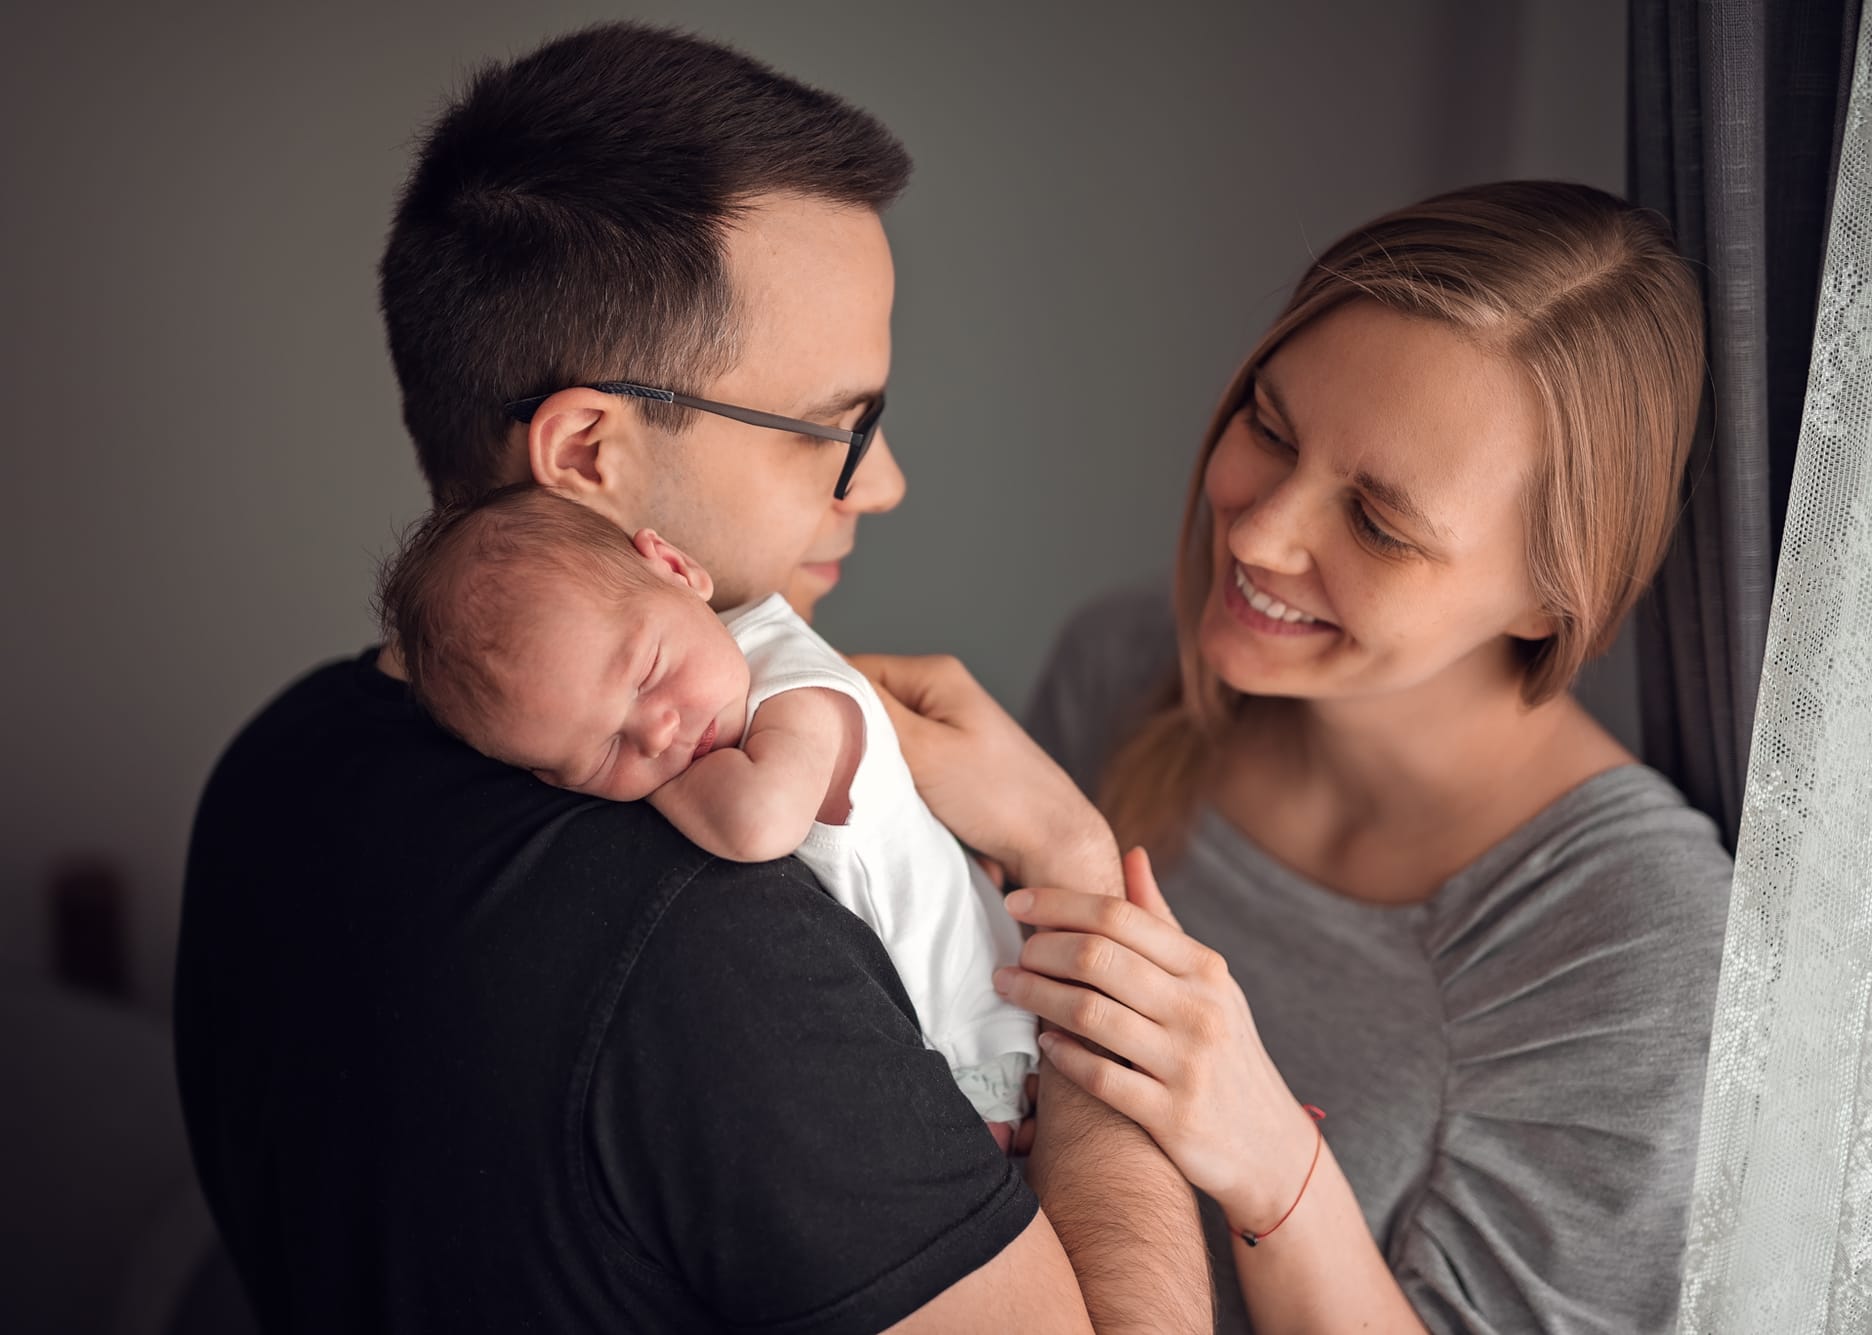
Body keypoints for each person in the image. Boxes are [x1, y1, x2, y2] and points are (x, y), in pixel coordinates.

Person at [173, 22, 1209, 1335]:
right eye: (835, 428)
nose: (879, 482)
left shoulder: (276, 760)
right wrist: (1070, 858)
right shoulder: (715, 934)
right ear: (591, 452)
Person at [861, 180, 1732, 1333]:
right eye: (1268, 427)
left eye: (1376, 523)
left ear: (1547, 599)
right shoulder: (1122, 673)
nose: (1259, 532)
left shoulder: (1644, 947)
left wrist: (1271, 1159)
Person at [375, 483, 1037, 1147]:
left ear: (676, 569)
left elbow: (759, 821)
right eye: (601, 751)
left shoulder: (794, 679)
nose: (657, 735)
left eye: (646, 674)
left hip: (977, 1030)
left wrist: (641, 784)